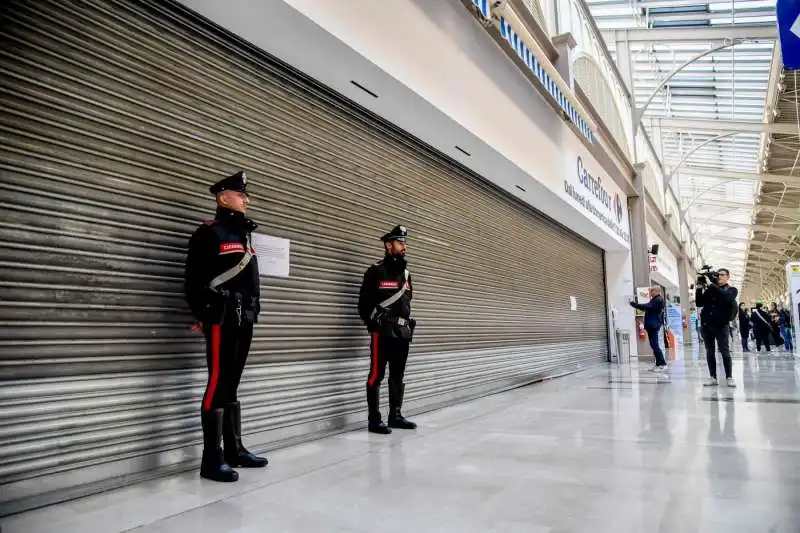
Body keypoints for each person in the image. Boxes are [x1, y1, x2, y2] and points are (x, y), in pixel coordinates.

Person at [184, 170, 268, 483]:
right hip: (221, 317)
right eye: (240, 193)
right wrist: (203, 313)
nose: (246, 198)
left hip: (244, 318)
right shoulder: (210, 233)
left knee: (232, 383)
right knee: (217, 383)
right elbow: (194, 281)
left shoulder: (243, 236)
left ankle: (235, 450)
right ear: (223, 198)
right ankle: (211, 459)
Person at [358, 225, 417, 434]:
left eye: (404, 243)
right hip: (381, 332)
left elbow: (407, 303)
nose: (404, 246)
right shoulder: (375, 271)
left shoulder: (407, 274)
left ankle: (396, 415)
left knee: (398, 376)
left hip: (402, 332)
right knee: (376, 375)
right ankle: (374, 420)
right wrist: (373, 325)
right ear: (388, 245)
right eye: (400, 243)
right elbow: (363, 304)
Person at [696, 268, 738, 387]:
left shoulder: (732, 290)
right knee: (710, 351)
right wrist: (699, 288)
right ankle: (712, 377)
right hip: (707, 324)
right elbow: (699, 303)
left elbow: (727, 298)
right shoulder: (710, 290)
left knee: (724, 351)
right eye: (718, 275)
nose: (719, 276)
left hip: (721, 325)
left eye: (722, 275)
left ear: (728, 277)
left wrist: (711, 285)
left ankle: (729, 377)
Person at [629, 287, 667, 372]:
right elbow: (648, 307)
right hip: (651, 325)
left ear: (657, 291)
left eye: (652, 291)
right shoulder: (655, 299)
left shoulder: (658, 299)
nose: (650, 292)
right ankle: (658, 364)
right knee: (653, 345)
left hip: (654, 325)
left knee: (655, 345)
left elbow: (647, 307)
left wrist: (634, 305)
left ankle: (662, 364)